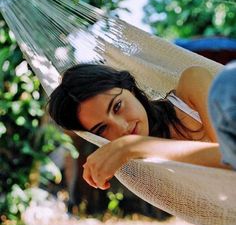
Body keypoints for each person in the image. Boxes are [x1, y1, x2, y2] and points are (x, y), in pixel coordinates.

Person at [48, 63, 233, 190]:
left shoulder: (193, 82)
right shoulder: (144, 169)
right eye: (101, 129)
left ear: (130, 88)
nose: (121, 128)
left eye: (117, 106)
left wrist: (133, 146)